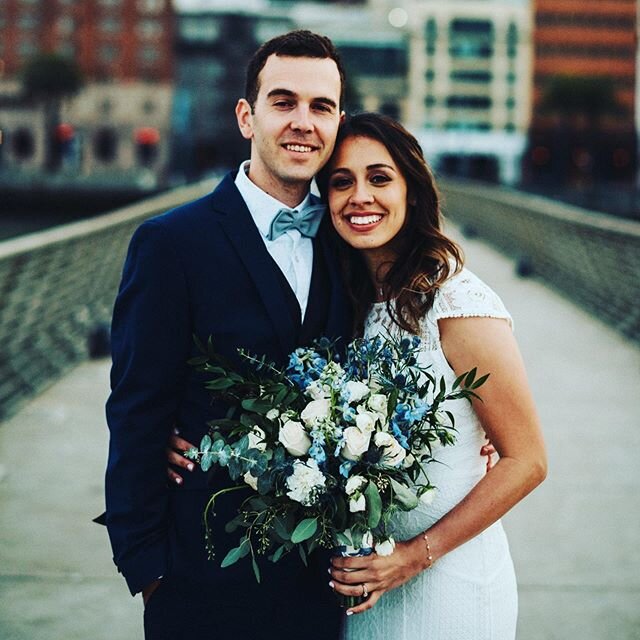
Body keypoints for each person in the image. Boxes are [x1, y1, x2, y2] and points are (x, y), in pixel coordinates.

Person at [103, 31, 352, 640]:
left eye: (321, 107)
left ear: (338, 122)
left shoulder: (354, 244)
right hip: (199, 583)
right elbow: (136, 410)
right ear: (248, 115)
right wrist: (148, 571)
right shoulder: (171, 243)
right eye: (284, 101)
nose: (303, 123)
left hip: (322, 587)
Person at [315, 113, 547, 639]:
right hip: (365, 591)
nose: (359, 196)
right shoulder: (343, 302)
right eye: (341, 182)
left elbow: (527, 460)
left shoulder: (458, 304)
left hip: (450, 583)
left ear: (412, 191)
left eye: (379, 178)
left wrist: (416, 556)